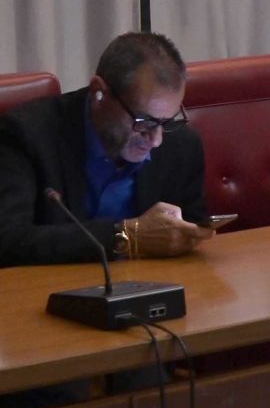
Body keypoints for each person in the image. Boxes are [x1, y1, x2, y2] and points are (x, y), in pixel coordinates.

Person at [0, 32, 212, 267]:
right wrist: (125, 236)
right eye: (144, 122)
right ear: (99, 93)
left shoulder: (182, 145)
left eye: (167, 121)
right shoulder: (25, 135)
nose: (156, 140)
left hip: (151, 283)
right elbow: (8, 240)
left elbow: (192, 232)